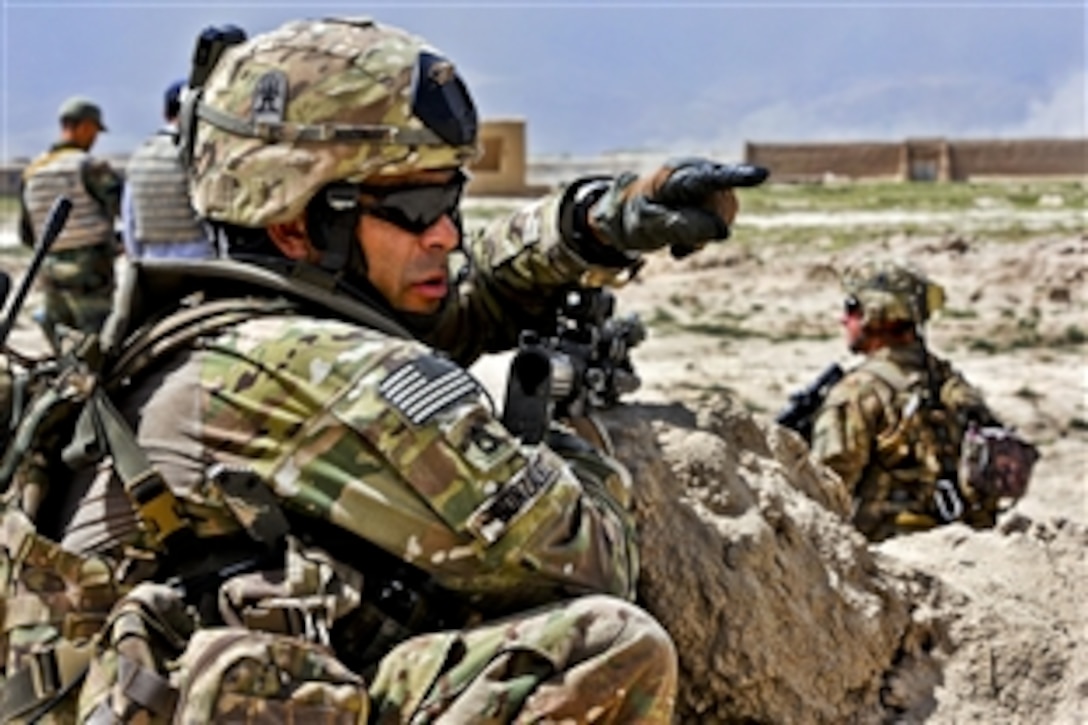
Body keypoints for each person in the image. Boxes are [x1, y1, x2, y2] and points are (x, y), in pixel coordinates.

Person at [1, 17, 767, 723]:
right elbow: (589, 553)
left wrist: (595, 224)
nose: (446, 232)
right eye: (417, 204)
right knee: (606, 647)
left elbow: (449, 304)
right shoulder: (332, 372)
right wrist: (565, 436)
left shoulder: (199, 312)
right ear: (297, 218)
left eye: (453, 195)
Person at [810, 259, 1008, 542]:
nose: (844, 319)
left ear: (876, 314)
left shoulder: (859, 391)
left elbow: (825, 489)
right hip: (965, 546)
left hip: (889, 552)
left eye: (852, 308)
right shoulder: (952, 383)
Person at [18, 96, 122, 345]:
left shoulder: (33, 171)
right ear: (85, 126)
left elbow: (27, 233)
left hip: (50, 270)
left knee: (61, 348)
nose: (94, 138)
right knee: (95, 345)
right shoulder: (89, 166)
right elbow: (122, 207)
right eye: (95, 131)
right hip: (90, 272)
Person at [120, 79, 214, 260]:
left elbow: (129, 219)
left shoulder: (140, 155)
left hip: (153, 264)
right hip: (202, 261)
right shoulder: (201, 152)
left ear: (165, 113)